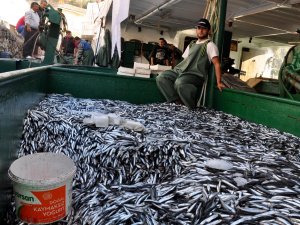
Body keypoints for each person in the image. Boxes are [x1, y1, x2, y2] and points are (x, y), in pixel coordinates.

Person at [156, 18, 225, 109]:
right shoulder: (191, 44)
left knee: (179, 82)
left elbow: (216, 64)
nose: (201, 30)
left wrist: (219, 82)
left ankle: (191, 107)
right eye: (199, 28)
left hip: (195, 74)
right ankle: (176, 102)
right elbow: (184, 60)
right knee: (161, 77)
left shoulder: (210, 45)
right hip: (181, 71)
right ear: (196, 29)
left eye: (204, 28)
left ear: (208, 30)